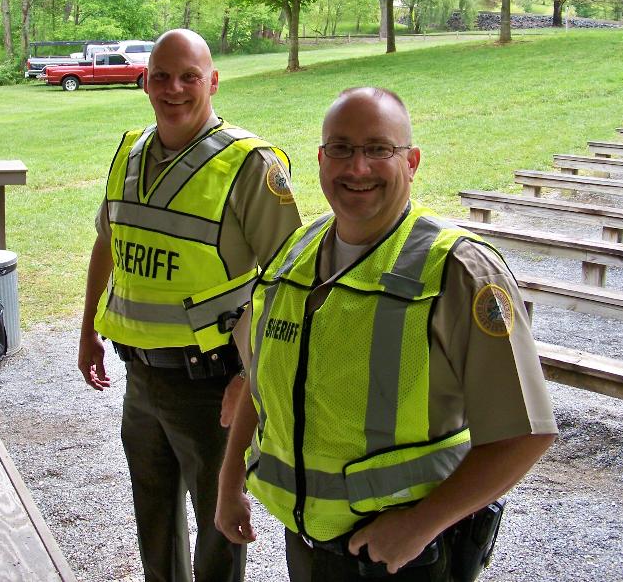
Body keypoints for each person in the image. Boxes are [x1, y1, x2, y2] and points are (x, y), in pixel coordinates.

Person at [215, 87, 557, 582]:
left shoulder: (458, 271)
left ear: (412, 162)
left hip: (405, 558)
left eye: (379, 149)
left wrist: (420, 525)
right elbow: (260, 380)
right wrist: (229, 485)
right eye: (341, 148)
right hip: (306, 545)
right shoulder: (293, 257)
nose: (358, 168)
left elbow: (525, 432)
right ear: (321, 159)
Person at [78, 28, 302, 582]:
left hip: (212, 385)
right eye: (161, 76)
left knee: (218, 527)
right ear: (145, 82)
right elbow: (108, 240)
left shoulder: (250, 166)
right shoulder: (129, 152)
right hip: (140, 377)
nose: (173, 89)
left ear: (213, 81)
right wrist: (87, 330)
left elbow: (287, 284)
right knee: (153, 521)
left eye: (189, 77)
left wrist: (252, 378)